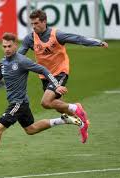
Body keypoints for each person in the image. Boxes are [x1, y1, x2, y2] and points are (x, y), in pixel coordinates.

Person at [0, 33, 84, 171]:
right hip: (20, 103)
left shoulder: (22, 61)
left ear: (16, 45)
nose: (7, 49)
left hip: (18, 103)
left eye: (10, 46)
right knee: (31, 129)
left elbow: (43, 70)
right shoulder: (3, 63)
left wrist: (56, 85)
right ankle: (63, 120)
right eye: (4, 46)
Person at [18, 9, 109, 143]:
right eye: (32, 24)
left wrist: (97, 42)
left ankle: (76, 108)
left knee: (45, 102)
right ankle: (84, 123)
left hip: (60, 72)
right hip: (45, 76)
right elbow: (19, 56)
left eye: (36, 23)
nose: (34, 26)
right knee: (59, 108)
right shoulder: (30, 38)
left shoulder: (57, 35)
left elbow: (78, 39)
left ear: (44, 22)